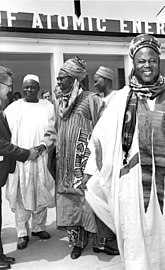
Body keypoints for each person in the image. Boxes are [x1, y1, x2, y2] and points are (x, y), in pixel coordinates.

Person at [83, 34, 165, 270]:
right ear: (133, 63)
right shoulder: (123, 98)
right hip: (134, 184)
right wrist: (91, 170)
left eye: (152, 60)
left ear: (159, 62)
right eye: (142, 61)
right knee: (139, 233)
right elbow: (101, 140)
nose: (147, 65)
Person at [36, 56, 118, 260]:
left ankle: (101, 242)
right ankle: (77, 243)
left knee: (93, 200)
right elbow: (53, 129)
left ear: (73, 79)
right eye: (57, 79)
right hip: (65, 165)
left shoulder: (93, 99)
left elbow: (104, 131)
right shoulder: (58, 103)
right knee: (70, 203)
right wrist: (44, 145)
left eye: (61, 78)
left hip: (86, 165)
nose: (58, 82)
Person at [4, 74, 55, 251]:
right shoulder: (12, 109)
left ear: (38, 88)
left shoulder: (48, 106)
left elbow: (53, 131)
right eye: (26, 87)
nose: (28, 90)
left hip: (41, 157)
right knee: (21, 197)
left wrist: (42, 147)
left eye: (32, 87)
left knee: (40, 193)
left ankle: (39, 227)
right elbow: (5, 137)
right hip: (20, 161)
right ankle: (21, 233)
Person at [0, 67, 39, 269]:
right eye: (8, 86)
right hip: (18, 158)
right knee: (18, 201)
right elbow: (2, 143)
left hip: (29, 161)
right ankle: (18, 238)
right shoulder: (8, 108)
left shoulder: (47, 106)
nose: (9, 91)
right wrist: (26, 153)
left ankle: (0, 255)